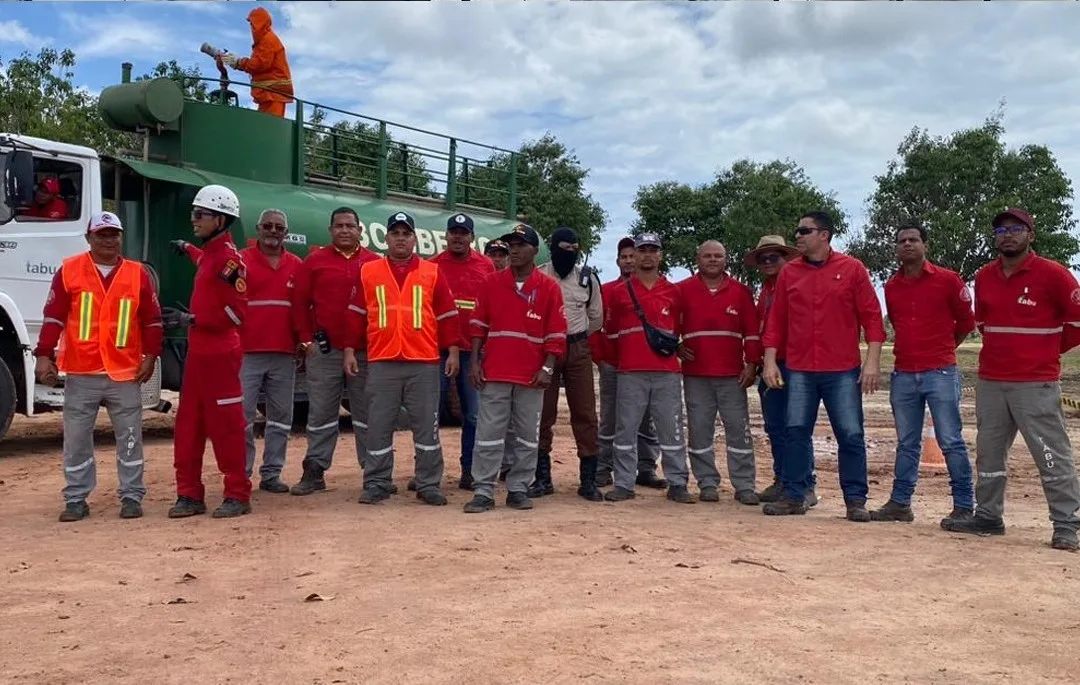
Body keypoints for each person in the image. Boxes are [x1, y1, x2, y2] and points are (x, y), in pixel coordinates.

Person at [942, 208, 1080, 551]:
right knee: (989, 454)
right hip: (991, 382)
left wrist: (1045, 352)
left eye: (1015, 229)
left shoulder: (1055, 275)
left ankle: (1066, 524)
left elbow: (1076, 325)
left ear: (1030, 235)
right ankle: (988, 516)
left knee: (1051, 454)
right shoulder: (985, 276)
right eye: (1001, 230)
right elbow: (984, 324)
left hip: (1036, 384)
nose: (1007, 235)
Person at [33, 211, 162, 522]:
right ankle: (76, 498)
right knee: (76, 439)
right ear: (89, 237)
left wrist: (149, 357)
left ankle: (131, 497)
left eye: (114, 234)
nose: (109, 240)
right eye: (102, 234)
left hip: (123, 372)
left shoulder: (137, 274)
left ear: (121, 237)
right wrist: (43, 355)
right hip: (82, 370)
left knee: (130, 437)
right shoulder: (70, 270)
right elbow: (53, 317)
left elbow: (152, 321)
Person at [762, 210, 885, 522]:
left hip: (841, 369)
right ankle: (794, 495)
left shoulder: (853, 269)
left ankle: (855, 500)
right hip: (800, 368)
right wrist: (769, 362)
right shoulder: (790, 274)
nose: (798, 237)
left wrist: (871, 362)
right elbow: (776, 320)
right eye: (797, 231)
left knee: (851, 433)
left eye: (804, 231)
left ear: (824, 235)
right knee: (795, 432)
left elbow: (872, 316)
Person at [344, 211, 463, 506]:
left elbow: (448, 315)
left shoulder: (431, 272)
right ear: (387, 239)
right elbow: (356, 315)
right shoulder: (369, 272)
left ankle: (428, 484)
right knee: (379, 425)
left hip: (422, 361)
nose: (400, 238)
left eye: (405, 233)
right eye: (395, 233)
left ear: (414, 238)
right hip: (382, 361)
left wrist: (454, 351)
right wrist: (348, 349)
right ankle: (376, 482)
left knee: (426, 426)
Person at [872, 223, 975, 524]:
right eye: (901, 240)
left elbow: (966, 323)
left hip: (940, 372)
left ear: (925, 245)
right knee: (906, 442)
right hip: (904, 373)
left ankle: (964, 505)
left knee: (950, 440)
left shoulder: (948, 280)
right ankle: (900, 504)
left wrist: (944, 349)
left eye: (913, 240)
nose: (907, 245)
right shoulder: (891, 286)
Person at [464, 224, 567, 513]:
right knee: (489, 435)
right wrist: (474, 362)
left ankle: (519, 488)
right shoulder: (491, 283)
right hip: (494, 372)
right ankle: (483, 490)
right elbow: (478, 326)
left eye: (521, 245)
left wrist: (547, 368)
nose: (515, 250)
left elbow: (556, 333)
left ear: (535, 250)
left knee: (526, 436)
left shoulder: (549, 288)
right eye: (512, 244)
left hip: (530, 376)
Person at [166, 185, 252, 519]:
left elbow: (238, 313)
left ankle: (237, 494)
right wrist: (187, 247)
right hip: (199, 355)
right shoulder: (212, 255)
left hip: (220, 354)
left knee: (226, 426)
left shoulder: (231, 262)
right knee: (188, 425)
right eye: (194, 214)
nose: (194, 220)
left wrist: (195, 318)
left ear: (220, 219)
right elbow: (205, 260)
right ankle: (189, 494)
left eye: (200, 215)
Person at [290, 207, 380, 496]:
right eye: (339, 225)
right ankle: (314, 470)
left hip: (365, 352)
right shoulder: (314, 261)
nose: (344, 230)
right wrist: (306, 341)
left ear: (359, 230)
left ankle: (374, 473)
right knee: (321, 413)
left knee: (368, 414)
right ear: (330, 230)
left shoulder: (374, 263)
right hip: (326, 351)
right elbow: (299, 303)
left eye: (350, 225)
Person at [603, 233, 694, 504]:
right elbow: (611, 331)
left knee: (671, 429)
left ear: (660, 255)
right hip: (630, 371)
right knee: (625, 429)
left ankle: (678, 483)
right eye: (642, 250)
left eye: (652, 250)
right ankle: (623, 483)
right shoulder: (620, 292)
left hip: (666, 372)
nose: (647, 255)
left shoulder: (674, 292)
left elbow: (680, 330)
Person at [678, 240, 762, 504]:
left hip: (732, 376)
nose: (712, 260)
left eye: (718, 256)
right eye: (707, 256)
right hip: (696, 375)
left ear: (726, 260)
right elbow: (667, 324)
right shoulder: (682, 291)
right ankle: (707, 483)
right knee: (699, 430)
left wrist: (751, 365)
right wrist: (676, 346)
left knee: (738, 430)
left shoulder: (741, 292)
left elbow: (751, 334)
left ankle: (745, 485)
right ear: (697, 259)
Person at [532, 227, 604, 501]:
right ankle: (542, 478)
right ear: (552, 248)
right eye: (564, 248)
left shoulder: (587, 279)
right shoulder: (538, 275)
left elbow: (596, 317)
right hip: (544, 349)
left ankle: (588, 480)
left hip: (577, 348)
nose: (569, 254)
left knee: (585, 412)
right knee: (543, 412)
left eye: (574, 250)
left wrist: (577, 336)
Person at [430, 212, 495, 490]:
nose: (458, 237)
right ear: (447, 235)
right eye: (453, 232)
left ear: (471, 237)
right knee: (431, 413)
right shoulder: (431, 266)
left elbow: (493, 306)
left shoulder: (486, 266)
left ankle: (470, 470)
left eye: (464, 232)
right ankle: (429, 472)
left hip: (473, 351)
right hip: (437, 349)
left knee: (474, 414)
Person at [744, 235, 811, 504]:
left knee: (796, 427)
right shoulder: (767, 290)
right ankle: (783, 479)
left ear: (787, 258)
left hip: (795, 364)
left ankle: (805, 484)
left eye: (775, 257)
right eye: (764, 259)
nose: (769, 262)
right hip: (771, 365)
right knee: (775, 427)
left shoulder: (798, 284)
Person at [595, 237, 665, 490]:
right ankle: (604, 468)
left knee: (647, 419)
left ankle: (646, 468)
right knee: (611, 418)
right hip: (613, 364)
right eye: (623, 257)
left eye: (630, 256)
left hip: (646, 365)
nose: (628, 260)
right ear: (618, 260)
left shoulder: (659, 289)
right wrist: (601, 358)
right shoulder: (607, 290)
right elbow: (596, 325)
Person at [219, 6, 294, 118]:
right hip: (268, 94)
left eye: (253, 24)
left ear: (260, 23)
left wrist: (238, 62)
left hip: (273, 94)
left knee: (269, 128)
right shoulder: (264, 41)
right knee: (264, 127)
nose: (251, 28)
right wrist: (237, 62)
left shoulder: (269, 40)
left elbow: (259, 64)